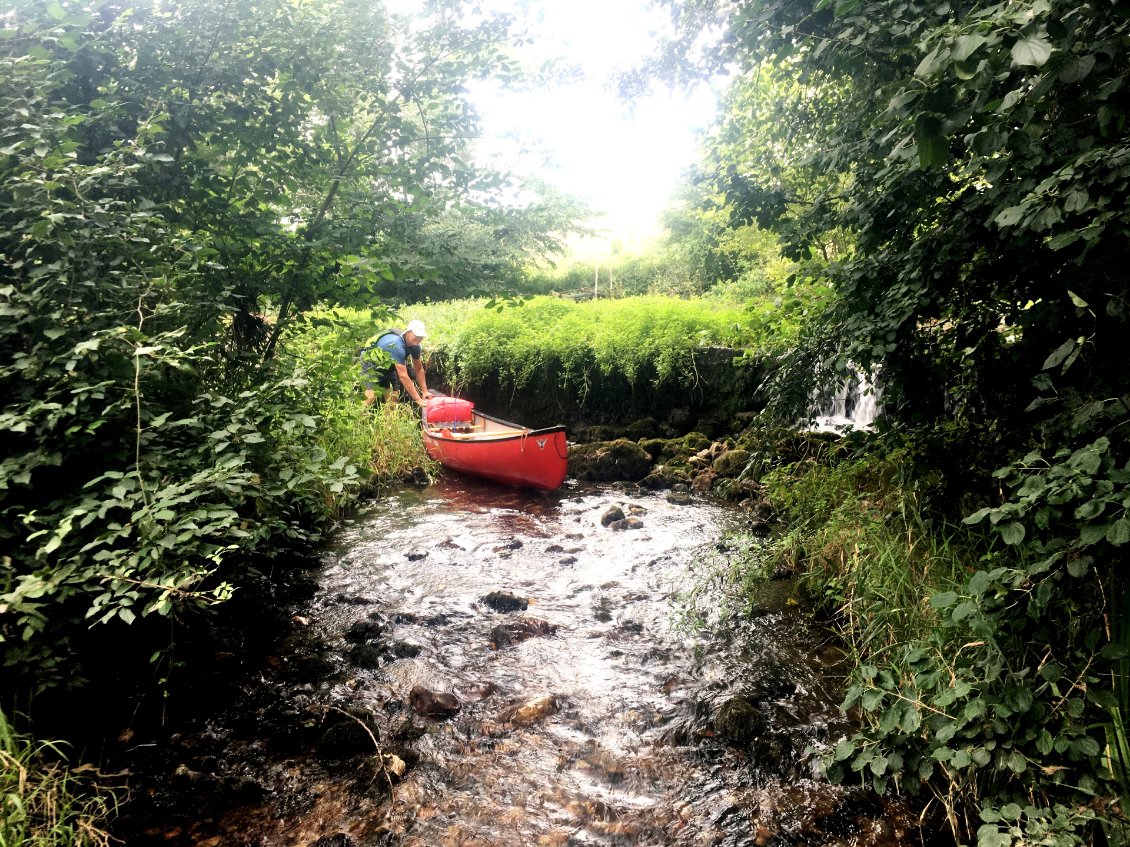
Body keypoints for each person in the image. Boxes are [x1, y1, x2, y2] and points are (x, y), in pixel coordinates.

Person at [361, 320, 431, 407]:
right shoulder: (396, 346)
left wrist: (425, 391)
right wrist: (418, 399)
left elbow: (419, 369)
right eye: (416, 336)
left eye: (421, 337)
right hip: (371, 362)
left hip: (388, 364)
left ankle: (389, 420)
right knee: (370, 397)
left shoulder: (416, 346)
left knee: (393, 398)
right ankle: (359, 418)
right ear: (408, 332)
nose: (419, 339)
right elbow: (403, 376)